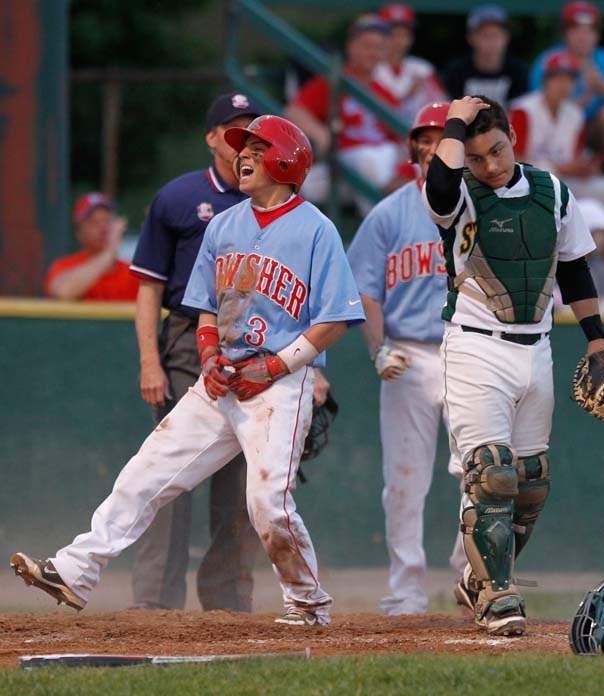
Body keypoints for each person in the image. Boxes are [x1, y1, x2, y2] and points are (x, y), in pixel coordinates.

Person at [10, 115, 365, 627]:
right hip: (221, 380)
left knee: (267, 503)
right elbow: (205, 307)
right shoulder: (224, 225)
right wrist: (209, 357)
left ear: (287, 161)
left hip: (280, 384)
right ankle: (74, 569)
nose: (243, 155)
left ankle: (307, 602)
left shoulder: (316, 228)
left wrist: (276, 365)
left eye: (258, 148)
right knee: (145, 473)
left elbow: (335, 319)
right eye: (243, 147)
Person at [423, 95, 604, 636]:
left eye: (497, 150)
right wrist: (454, 122)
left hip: (537, 346)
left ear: (513, 138)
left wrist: (597, 342)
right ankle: (497, 597)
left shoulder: (553, 191)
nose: (489, 165)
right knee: (492, 473)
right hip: (476, 345)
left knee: (530, 483)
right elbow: (439, 189)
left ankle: (477, 578)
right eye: (476, 156)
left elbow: (573, 269)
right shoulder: (460, 192)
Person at [128, 93, 262, 611]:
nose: (242, 140)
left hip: (253, 339)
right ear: (211, 138)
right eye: (232, 129)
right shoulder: (181, 197)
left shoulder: (274, 199)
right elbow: (149, 288)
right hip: (188, 335)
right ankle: (155, 602)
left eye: (252, 130)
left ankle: (227, 601)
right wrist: (150, 361)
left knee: (241, 474)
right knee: (172, 466)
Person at [347, 102, 455, 616]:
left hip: (469, 350)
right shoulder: (389, 213)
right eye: (424, 140)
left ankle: (473, 581)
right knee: (404, 481)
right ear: (413, 149)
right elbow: (365, 290)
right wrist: (379, 348)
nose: (431, 148)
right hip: (408, 353)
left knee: (482, 473)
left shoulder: (480, 208)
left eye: (441, 139)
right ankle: (406, 591)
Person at [285, 13, 401, 212]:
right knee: (365, 163)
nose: (373, 53)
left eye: (379, 48)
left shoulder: (384, 92)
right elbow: (294, 111)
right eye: (367, 46)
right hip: (346, 160)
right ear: (351, 47)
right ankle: (386, 225)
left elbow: (399, 138)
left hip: (379, 163)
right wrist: (320, 132)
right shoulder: (334, 82)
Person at [510, 50, 604, 221]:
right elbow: (514, 161)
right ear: (545, 80)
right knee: (550, 181)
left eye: (569, 79)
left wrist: (586, 168)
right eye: (558, 78)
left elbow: (575, 158)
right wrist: (563, 168)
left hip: (566, 183)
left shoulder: (575, 114)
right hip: (530, 184)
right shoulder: (523, 109)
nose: (564, 85)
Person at [529, 1, 604, 180]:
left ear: (597, 34)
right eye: (576, 30)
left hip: (593, 131)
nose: (583, 37)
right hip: (555, 135)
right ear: (565, 33)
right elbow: (538, 110)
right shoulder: (549, 61)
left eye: (589, 30)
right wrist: (580, 102)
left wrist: (601, 85)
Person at [45, 193, 139, 301]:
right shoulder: (64, 266)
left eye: (107, 220)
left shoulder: (133, 272)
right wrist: (109, 252)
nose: (103, 228)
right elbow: (63, 292)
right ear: (78, 232)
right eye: (94, 222)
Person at [441, 5, 528, 107]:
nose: (491, 41)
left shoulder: (518, 71)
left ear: (506, 37)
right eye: (485, 35)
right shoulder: (455, 71)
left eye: (496, 35)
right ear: (471, 38)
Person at [373, 4, 447, 122]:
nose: (398, 41)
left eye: (404, 34)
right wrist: (407, 95)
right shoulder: (368, 67)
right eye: (392, 34)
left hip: (417, 130)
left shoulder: (423, 68)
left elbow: (442, 107)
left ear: (411, 38)